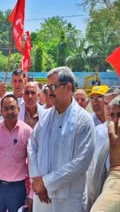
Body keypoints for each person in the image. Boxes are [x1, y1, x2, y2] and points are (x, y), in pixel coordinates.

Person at [28, 66, 95, 212]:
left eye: (53, 87)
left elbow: (80, 163)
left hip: (68, 201)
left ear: (68, 87)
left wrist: (46, 182)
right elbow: (32, 145)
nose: (49, 92)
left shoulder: (84, 120)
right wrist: (36, 179)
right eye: (47, 87)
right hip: (42, 197)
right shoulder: (45, 116)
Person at [0, 94, 33, 212]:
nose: (9, 111)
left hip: (17, 188)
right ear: (1, 111)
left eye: (12, 108)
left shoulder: (28, 131)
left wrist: (32, 194)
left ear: (18, 109)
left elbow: (32, 163)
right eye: (6, 108)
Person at [90, 96, 120, 211]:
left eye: (119, 115)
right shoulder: (107, 144)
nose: (116, 120)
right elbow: (92, 173)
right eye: (112, 115)